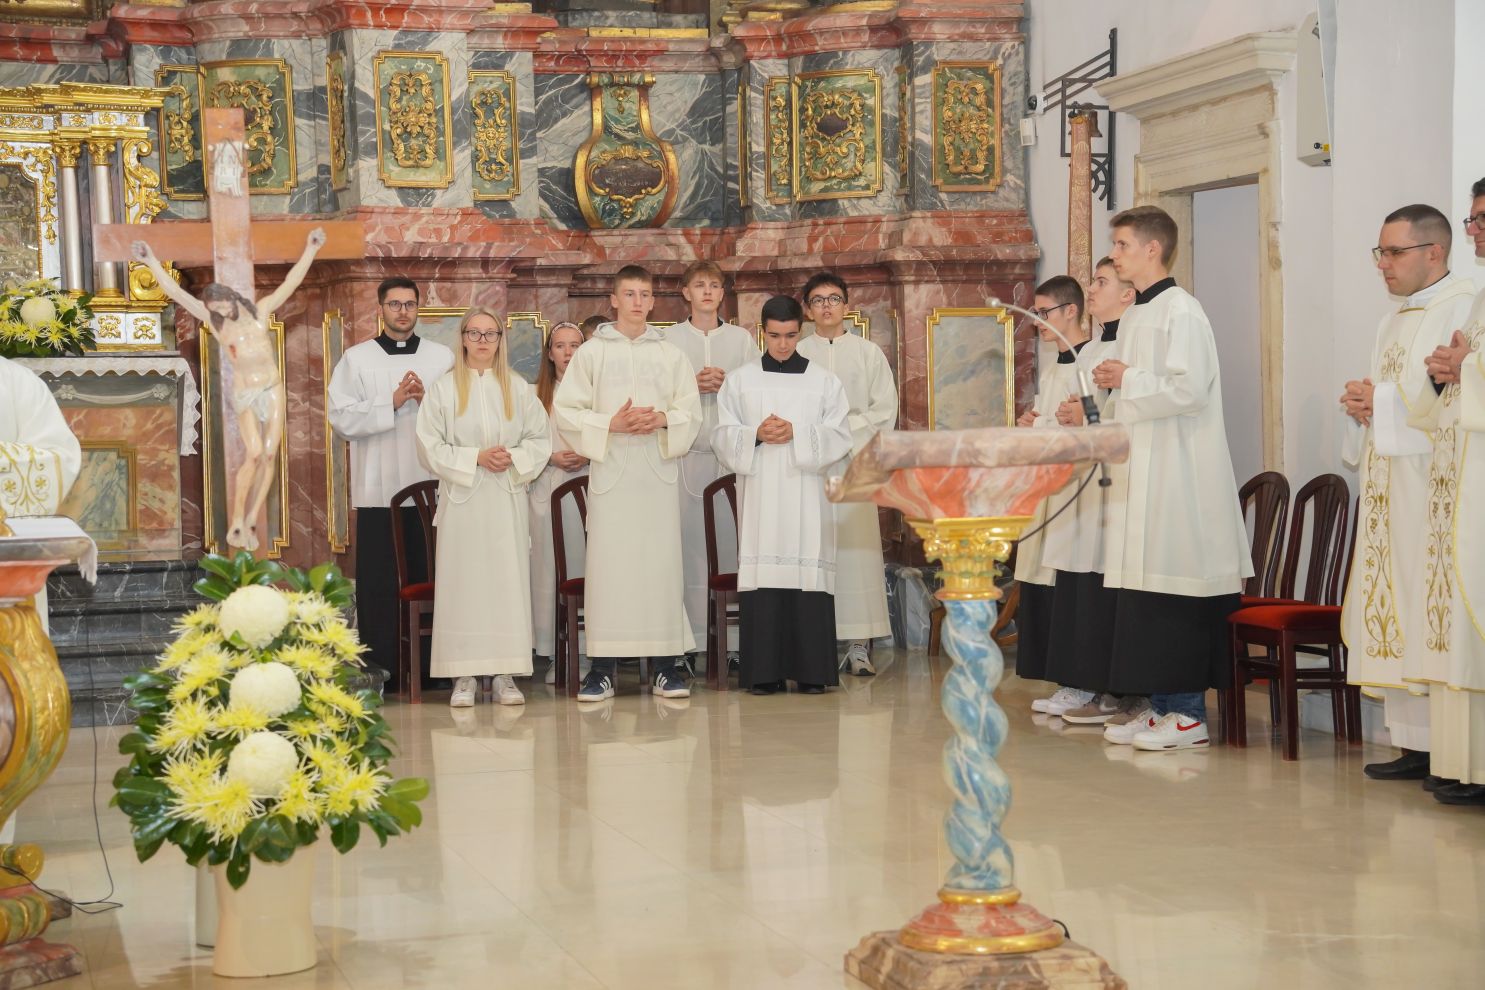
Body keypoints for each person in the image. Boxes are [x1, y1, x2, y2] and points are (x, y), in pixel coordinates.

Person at [1092, 206, 1252, 751]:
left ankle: (1186, 715)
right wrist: (1115, 385)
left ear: (1152, 249)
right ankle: (1160, 707)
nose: (1113, 254)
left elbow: (1189, 391)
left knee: (1175, 595)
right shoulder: (1139, 313)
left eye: (1120, 244)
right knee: (1147, 595)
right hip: (1145, 467)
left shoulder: (1182, 311)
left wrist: (1128, 376)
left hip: (1179, 473)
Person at [1340, 204, 1475, 781]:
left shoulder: (1463, 304)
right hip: (1389, 483)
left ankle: (1444, 750)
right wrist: (1364, 404)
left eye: (1394, 253)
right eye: (1381, 253)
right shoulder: (1392, 318)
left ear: (1434, 252)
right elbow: (1404, 391)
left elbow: (1444, 397)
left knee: (1427, 605)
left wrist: (1385, 405)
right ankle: (1413, 744)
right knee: (1390, 602)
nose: (1384, 265)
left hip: (1429, 485)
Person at [552, 265, 702, 702]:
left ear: (654, 301)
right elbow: (567, 410)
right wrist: (611, 423)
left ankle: (664, 667)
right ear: (613, 301)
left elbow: (690, 412)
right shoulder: (593, 353)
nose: (638, 302)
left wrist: (660, 418)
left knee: (659, 568)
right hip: (612, 478)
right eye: (629, 294)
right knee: (610, 570)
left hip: (655, 476)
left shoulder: (670, 354)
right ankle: (601, 669)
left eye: (645, 294)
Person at [134, 230, 325, 551]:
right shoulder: (217, 325)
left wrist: (311, 249)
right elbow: (178, 296)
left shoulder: (261, 312)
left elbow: (290, 282)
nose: (218, 309)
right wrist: (151, 260)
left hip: (271, 387)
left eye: (220, 302)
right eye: (213, 306)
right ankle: (237, 521)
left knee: (268, 454)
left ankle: (250, 519)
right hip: (245, 394)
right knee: (253, 453)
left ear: (230, 298)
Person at [714, 295, 852, 694]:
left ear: (801, 330)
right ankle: (764, 673)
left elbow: (841, 434)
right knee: (765, 575)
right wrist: (754, 434)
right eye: (774, 336)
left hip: (808, 496)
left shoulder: (824, 381)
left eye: (791, 336)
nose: (783, 345)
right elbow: (723, 433)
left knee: (807, 575)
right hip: (762, 495)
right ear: (763, 333)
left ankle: (811, 673)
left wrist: (799, 433)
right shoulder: (741, 380)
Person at [416, 308, 551, 708]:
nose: (482, 341)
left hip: (505, 500)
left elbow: (539, 440)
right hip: (463, 503)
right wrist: (475, 458)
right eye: (474, 333)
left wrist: (511, 457)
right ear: (462, 338)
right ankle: (464, 675)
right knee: (464, 585)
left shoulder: (517, 388)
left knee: (506, 584)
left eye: (490, 334)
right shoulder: (443, 390)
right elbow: (428, 445)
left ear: (499, 340)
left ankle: (506, 673)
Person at [327, 277, 455, 690]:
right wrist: (392, 402)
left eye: (410, 304)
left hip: (433, 487)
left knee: (435, 576)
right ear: (379, 309)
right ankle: (384, 669)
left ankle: (438, 670)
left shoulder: (443, 358)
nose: (403, 311)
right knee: (382, 584)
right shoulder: (356, 358)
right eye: (394, 304)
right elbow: (342, 419)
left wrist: (426, 400)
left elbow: (462, 414)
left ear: (420, 309)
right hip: (378, 487)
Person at [1417, 183, 1485, 807]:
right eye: (1473, 219)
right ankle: (1466, 765)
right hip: (1465, 472)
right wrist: (1449, 376)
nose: (1475, 231)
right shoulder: (1482, 296)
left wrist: (1466, 370)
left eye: (1482, 219)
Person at [1049, 258, 1139, 727]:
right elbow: (1086, 407)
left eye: (1101, 282)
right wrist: (1069, 416)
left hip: (1119, 481)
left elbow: (1122, 409)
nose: (1092, 290)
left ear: (1128, 294)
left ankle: (1120, 691)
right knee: (1085, 586)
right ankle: (1089, 682)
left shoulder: (1135, 341)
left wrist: (1085, 416)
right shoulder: (1089, 350)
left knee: (1113, 587)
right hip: (1087, 480)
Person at [796, 272, 896, 675]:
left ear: (847, 305)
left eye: (833, 299)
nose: (826, 307)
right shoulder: (798, 353)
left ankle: (858, 644)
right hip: (811, 464)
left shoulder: (868, 353)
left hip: (854, 462)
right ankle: (816, 642)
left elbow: (883, 411)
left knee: (857, 553)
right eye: (817, 300)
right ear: (807, 309)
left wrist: (841, 434)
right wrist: (818, 439)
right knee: (814, 551)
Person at [664, 261, 756, 671]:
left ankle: (733, 645)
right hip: (684, 458)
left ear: (723, 293)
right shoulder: (668, 340)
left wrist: (729, 383)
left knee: (729, 545)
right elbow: (655, 392)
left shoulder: (740, 340)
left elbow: (757, 390)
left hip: (729, 459)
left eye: (714, 286)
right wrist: (690, 386)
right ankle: (684, 644)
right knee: (684, 550)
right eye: (698, 285)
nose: (706, 292)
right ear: (685, 292)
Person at [1011, 276, 1092, 713]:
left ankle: (1083, 685)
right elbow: (1055, 418)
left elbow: (1093, 418)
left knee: (1073, 587)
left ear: (1071, 311)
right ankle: (1065, 679)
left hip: (1080, 489)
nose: (1037, 321)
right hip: (1052, 484)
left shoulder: (1093, 359)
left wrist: (1045, 425)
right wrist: (1034, 422)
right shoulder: (1056, 364)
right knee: (1045, 584)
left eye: (1043, 313)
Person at [529, 321, 591, 685]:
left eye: (575, 345)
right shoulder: (535, 395)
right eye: (561, 346)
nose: (568, 353)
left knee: (585, 570)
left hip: (587, 491)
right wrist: (550, 457)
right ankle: (553, 652)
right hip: (546, 488)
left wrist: (586, 454)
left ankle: (584, 652)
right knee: (548, 573)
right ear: (550, 353)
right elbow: (524, 442)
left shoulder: (595, 393)